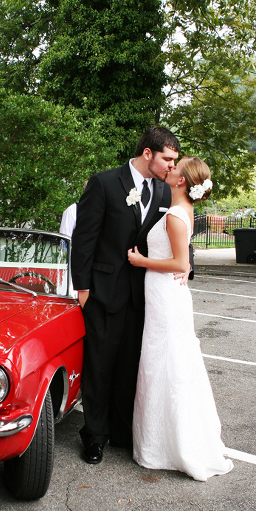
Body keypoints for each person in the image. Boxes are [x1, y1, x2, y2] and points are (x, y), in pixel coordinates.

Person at [71, 126, 181, 464]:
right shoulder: (104, 183)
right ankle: (94, 436)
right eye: (167, 159)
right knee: (100, 368)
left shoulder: (164, 192)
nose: (172, 167)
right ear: (148, 153)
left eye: (174, 161)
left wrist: (183, 265)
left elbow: (173, 234)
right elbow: (84, 240)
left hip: (144, 296)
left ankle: (121, 432)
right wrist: (83, 289)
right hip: (103, 294)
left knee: (130, 367)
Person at [128, 157, 233, 480]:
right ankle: (166, 440)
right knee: (166, 360)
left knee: (164, 361)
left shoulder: (175, 215)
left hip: (166, 296)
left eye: (177, 167)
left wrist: (142, 261)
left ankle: (168, 445)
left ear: (182, 181)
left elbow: (179, 264)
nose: (171, 168)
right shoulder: (180, 209)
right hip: (164, 295)